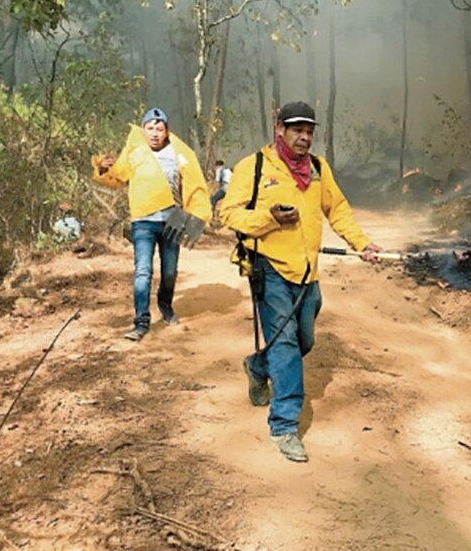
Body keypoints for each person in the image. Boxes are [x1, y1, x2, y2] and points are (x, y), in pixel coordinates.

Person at [220, 101, 383, 463]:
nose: (304, 137)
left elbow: (337, 210)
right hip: (271, 269)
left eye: (309, 131)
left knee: (304, 339)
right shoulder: (256, 166)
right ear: (279, 129)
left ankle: (258, 366)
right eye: (296, 130)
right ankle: (284, 426)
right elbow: (227, 212)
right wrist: (269, 217)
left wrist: (362, 244)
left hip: (308, 273)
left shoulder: (318, 169)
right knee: (287, 347)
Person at [93, 108, 212, 341]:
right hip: (143, 222)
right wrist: (103, 167)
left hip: (172, 220)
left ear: (166, 132)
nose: (155, 133)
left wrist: (196, 214)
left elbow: (194, 185)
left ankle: (166, 307)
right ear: (143, 130)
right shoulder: (134, 152)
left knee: (169, 272)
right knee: (143, 271)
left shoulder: (179, 153)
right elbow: (117, 179)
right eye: (150, 128)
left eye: (159, 128)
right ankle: (141, 321)